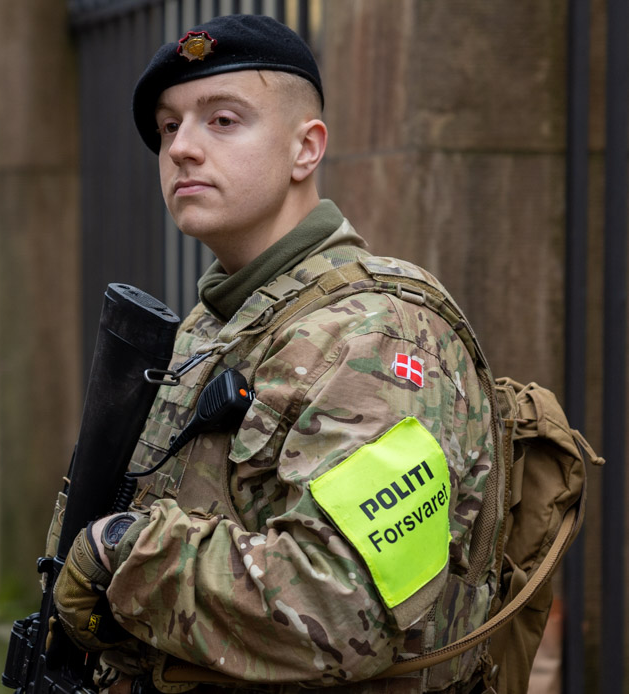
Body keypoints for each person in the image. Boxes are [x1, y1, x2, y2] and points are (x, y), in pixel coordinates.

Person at [52, 14, 499, 694]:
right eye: (170, 127)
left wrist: (120, 551)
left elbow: (343, 604)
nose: (182, 149)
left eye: (223, 121)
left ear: (305, 149)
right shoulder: (216, 324)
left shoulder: (375, 335)